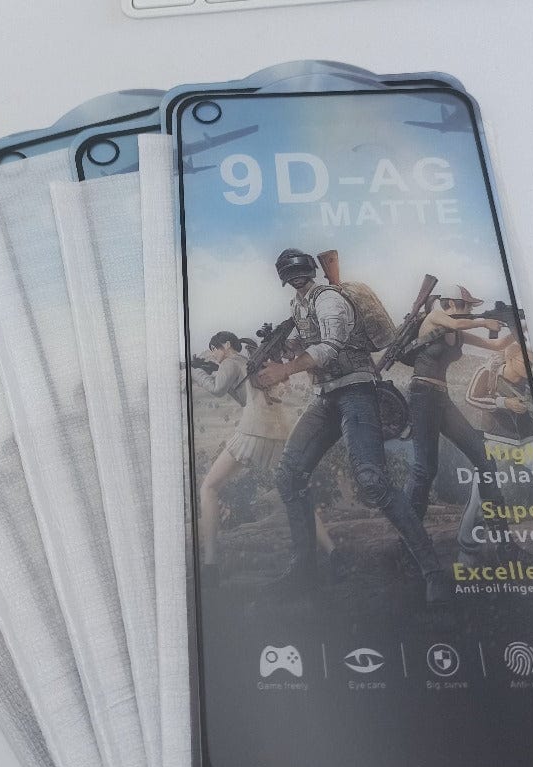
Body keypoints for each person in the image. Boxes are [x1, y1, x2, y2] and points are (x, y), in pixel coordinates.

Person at [257, 249, 451, 604]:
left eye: (301, 275)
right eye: (292, 277)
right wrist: (285, 348)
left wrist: (286, 369)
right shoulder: (298, 306)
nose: (298, 280)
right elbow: (309, 342)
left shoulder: (329, 299)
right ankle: (303, 572)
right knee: (289, 475)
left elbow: (330, 345)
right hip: (326, 395)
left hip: (357, 391)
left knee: (372, 480)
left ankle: (432, 571)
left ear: (311, 273)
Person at [191, 332, 343, 587]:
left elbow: (216, 389)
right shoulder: (252, 360)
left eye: (215, 349)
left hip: (252, 432)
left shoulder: (231, 362)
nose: (215, 355)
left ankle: (210, 565)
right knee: (297, 493)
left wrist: (195, 372)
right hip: (278, 431)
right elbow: (248, 395)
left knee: (209, 487)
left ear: (227, 345)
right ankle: (333, 552)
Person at [401, 285, 513, 555]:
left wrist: (515, 327)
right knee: (425, 470)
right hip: (422, 395)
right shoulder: (435, 317)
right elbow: (453, 322)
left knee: (484, 459)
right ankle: (409, 546)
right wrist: (483, 321)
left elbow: (496, 345)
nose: (470, 309)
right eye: (466, 305)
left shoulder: (459, 332)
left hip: (441, 398)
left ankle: (505, 544)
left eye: (471, 306)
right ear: (450, 303)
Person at [465, 340, 533, 446]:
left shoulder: (532, 381)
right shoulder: (487, 372)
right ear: (510, 359)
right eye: (527, 362)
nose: (531, 368)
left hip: (530, 439)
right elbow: (470, 398)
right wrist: (504, 402)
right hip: (496, 438)